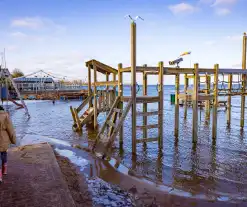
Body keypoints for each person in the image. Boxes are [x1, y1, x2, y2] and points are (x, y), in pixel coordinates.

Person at [0, 106, 16, 183]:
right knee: (4, 154)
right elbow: (10, 129)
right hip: (4, 140)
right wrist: (13, 140)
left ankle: (0, 176)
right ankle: (5, 170)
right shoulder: (5, 116)